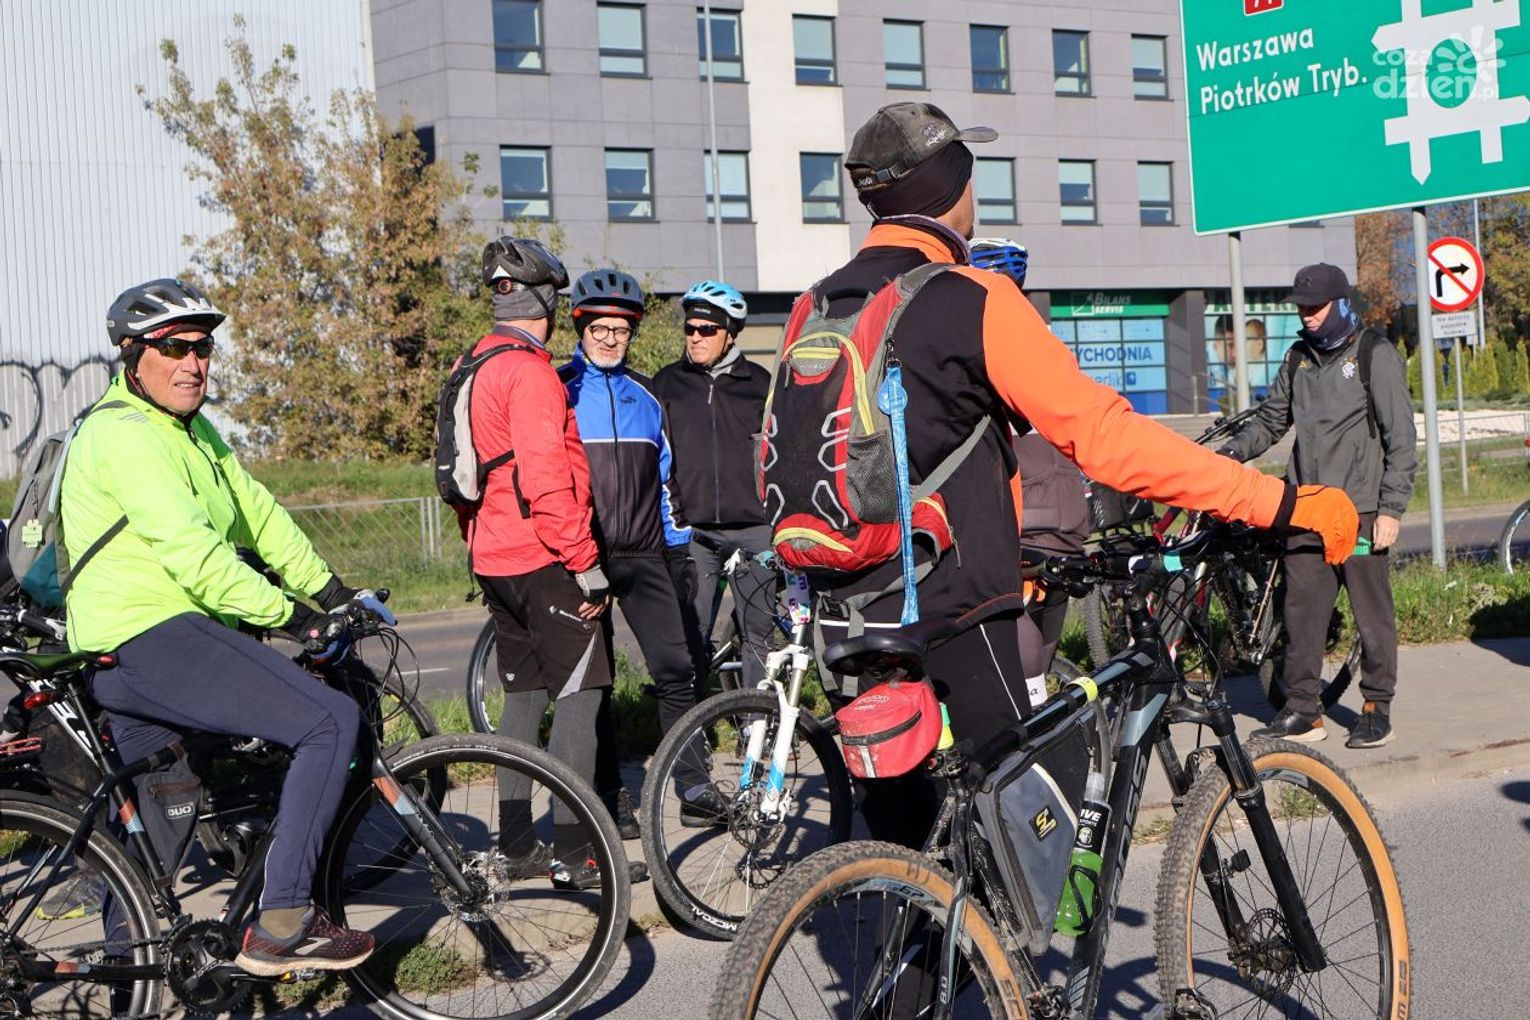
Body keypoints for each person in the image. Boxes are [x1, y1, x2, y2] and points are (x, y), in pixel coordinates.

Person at [767, 102, 1359, 849]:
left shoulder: (815, 305)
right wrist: (1277, 501)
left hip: (847, 606)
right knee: (1025, 831)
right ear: (951, 187)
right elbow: (1105, 439)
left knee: (908, 849)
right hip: (955, 609)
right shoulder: (971, 298)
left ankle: (908, 915)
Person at [63, 278, 386, 974]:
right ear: (133, 355)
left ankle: (128, 987)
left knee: (153, 841)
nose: (193, 363)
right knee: (329, 721)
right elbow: (196, 556)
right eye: (174, 348)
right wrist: (296, 618)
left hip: (141, 649)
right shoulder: (124, 435)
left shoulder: (194, 433)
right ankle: (285, 919)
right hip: (151, 635)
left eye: (203, 348)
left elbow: (259, 516)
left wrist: (330, 590)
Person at [459, 238, 644, 888]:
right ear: (547, 301)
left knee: (523, 698)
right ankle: (576, 852)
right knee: (579, 700)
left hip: (494, 557)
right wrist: (586, 565)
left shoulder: (471, 364)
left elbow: (457, 473)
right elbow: (546, 482)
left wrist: (482, 543)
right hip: (545, 557)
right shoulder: (531, 373)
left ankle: (516, 848)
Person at [1223, 264, 1417, 748]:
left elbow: (1401, 437)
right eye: (1301, 308)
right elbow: (1271, 421)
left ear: (1340, 303)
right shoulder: (1297, 359)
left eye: (1315, 307)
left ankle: (1376, 709)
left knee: (1371, 614)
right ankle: (1303, 711)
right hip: (1307, 508)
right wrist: (1229, 453)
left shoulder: (1374, 355)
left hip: (1360, 510)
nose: (1306, 315)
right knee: (1301, 615)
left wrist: (1391, 509)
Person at [560, 270, 720, 827]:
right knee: (595, 685)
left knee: (678, 669)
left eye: (621, 330)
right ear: (581, 328)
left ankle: (694, 786)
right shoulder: (559, 389)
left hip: (647, 553)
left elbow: (668, 480)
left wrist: (679, 553)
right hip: (584, 559)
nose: (610, 339)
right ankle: (608, 796)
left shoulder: (647, 395)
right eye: (600, 329)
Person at [970, 238, 1088, 698]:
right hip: (1064, 506)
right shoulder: (1040, 333)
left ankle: (1033, 713)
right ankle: (1042, 709)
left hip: (1026, 506)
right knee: (1041, 625)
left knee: (1017, 628)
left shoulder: (983, 333)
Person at [652, 280, 777, 694]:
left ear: (730, 333)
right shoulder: (667, 384)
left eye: (707, 329)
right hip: (693, 531)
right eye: (690, 328)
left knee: (758, 634)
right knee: (691, 635)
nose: (696, 337)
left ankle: (757, 723)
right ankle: (692, 726)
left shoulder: (760, 384)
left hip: (754, 527)